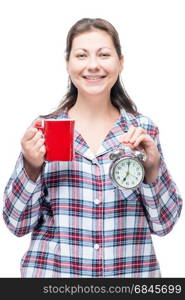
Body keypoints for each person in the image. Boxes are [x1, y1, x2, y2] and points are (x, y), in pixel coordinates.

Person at [3, 18, 182, 278]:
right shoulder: (45, 131)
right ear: (68, 64)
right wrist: (31, 167)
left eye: (104, 55)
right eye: (82, 55)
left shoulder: (142, 131)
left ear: (120, 61)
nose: (93, 65)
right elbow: (16, 224)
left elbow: (164, 225)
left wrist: (153, 170)